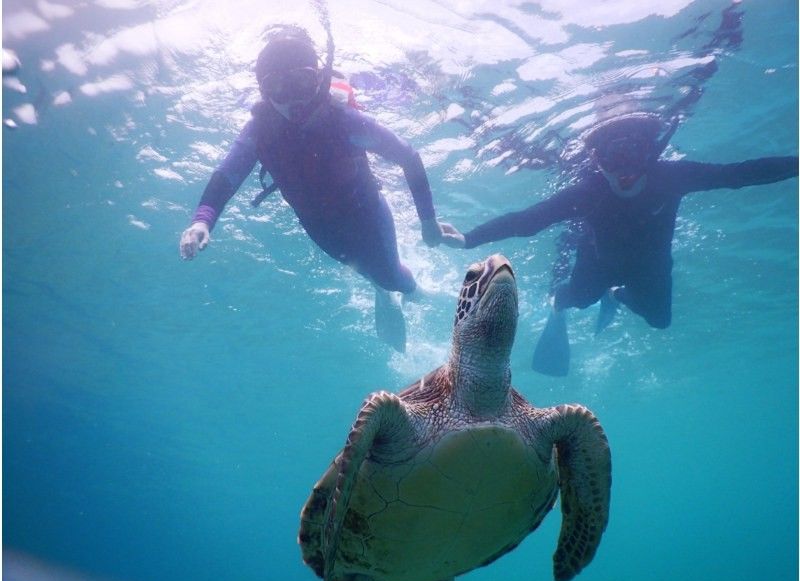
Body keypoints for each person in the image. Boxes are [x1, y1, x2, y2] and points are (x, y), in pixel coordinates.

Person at [179, 25, 462, 352]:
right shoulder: (260, 132)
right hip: (317, 225)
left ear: (318, 80)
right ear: (265, 91)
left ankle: (415, 293)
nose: (293, 99)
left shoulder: (343, 120)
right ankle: (384, 292)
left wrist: (427, 220)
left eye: (302, 82)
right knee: (368, 272)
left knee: (389, 275)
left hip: (366, 211)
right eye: (279, 87)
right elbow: (226, 177)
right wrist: (202, 220)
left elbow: (408, 157)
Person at [451, 112, 798, 376]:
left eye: (634, 153)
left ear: (651, 153)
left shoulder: (672, 177)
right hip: (597, 264)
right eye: (611, 158)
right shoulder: (589, 191)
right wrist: (468, 239)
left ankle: (615, 295)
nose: (624, 169)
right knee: (580, 298)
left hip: (651, 268)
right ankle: (561, 302)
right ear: (597, 162)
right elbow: (527, 221)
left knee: (661, 320)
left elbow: (738, 175)